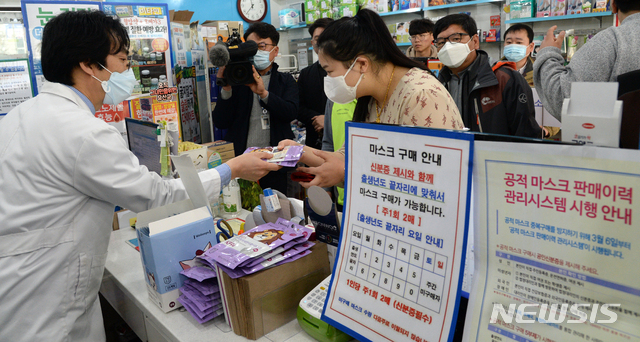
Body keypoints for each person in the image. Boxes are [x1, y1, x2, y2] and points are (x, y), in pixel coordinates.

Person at [0, 10, 279, 342]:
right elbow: (157, 196)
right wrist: (231, 169)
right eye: (120, 60)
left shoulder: (25, 114)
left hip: (23, 284)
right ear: (89, 64)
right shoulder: (82, 132)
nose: (126, 71)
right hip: (48, 302)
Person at [279, 9, 464, 188]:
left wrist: (346, 171)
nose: (328, 80)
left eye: (330, 71)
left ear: (361, 64)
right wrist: (298, 151)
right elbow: (346, 155)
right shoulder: (371, 97)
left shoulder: (421, 97)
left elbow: (429, 181)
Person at [212, 22, 299, 194]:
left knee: (277, 212)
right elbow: (221, 122)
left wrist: (264, 94)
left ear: (275, 50)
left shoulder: (285, 81)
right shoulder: (238, 81)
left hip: (275, 163)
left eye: (262, 45)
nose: (256, 51)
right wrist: (227, 88)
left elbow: (290, 112)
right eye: (251, 46)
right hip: (242, 165)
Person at [434, 14, 542, 138]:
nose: (447, 47)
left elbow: (525, 134)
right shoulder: (437, 83)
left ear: (475, 41)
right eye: (441, 42)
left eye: (456, 38)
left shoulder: (505, 79)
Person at [534, 0, 640, 121]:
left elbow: (565, 101)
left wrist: (548, 53)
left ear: (613, 6)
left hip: (621, 138)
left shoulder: (610, 41)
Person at [297, 18, 334, 150]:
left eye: (325, 37)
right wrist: (318, 119)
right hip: (314, 141)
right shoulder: (306, 74)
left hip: (342, 141)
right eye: (317, 38)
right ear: (312, 42)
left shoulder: (348, 72)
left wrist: (328, 121)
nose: (320, 42)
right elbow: (298, 107)